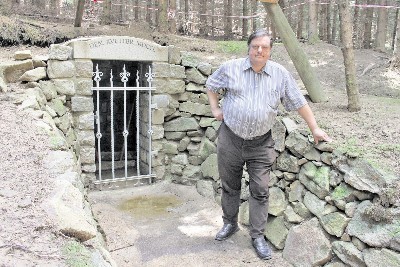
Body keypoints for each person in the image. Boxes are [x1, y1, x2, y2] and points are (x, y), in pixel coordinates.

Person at [205, 29, 332, 260]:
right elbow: (211, 85)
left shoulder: (280, 74)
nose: (259, 50)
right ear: (248, 48)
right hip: (230, 138)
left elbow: (298, 102)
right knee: (230, 186)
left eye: (264, 47)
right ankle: (230, 223)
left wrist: (314, 128)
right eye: (255, 46)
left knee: (260, 190)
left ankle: (257, 236)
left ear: (270, 51)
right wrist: (215, 109)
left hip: (261, 143)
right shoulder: (230, 67)